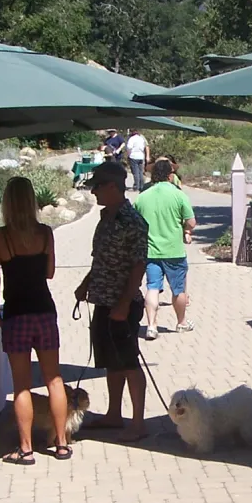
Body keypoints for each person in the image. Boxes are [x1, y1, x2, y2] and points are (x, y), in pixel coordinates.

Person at [0, 177, 70, 464]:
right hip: (44, 311)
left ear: (7, 203)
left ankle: (25, 449)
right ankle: (61, 444)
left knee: (22, 385)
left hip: (16, 314)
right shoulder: (46, 232)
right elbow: (49, 273)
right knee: (54, 379)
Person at [74, 161, 149, 441]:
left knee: (129, 361)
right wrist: (86, 284)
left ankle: (139, 423)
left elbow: (139, 265)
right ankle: (114, 414)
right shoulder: (106, 217)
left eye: (97, 186)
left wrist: (123, 304)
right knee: (112, 361)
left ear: (112, 187)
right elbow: (101, 259)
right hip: (104, 300)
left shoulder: (132, 221)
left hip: (123, 305)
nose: (93, 192)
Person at [134, 159, 196, 339]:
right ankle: (181, 323)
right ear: (170, 175)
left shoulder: (143, 196)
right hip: (174, 251)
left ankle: (151, 326)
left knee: (152, 287)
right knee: (178, 290)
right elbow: (191, 221)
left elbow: (135, 222)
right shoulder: (178, 195)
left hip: (151, 251)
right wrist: (186, 230)